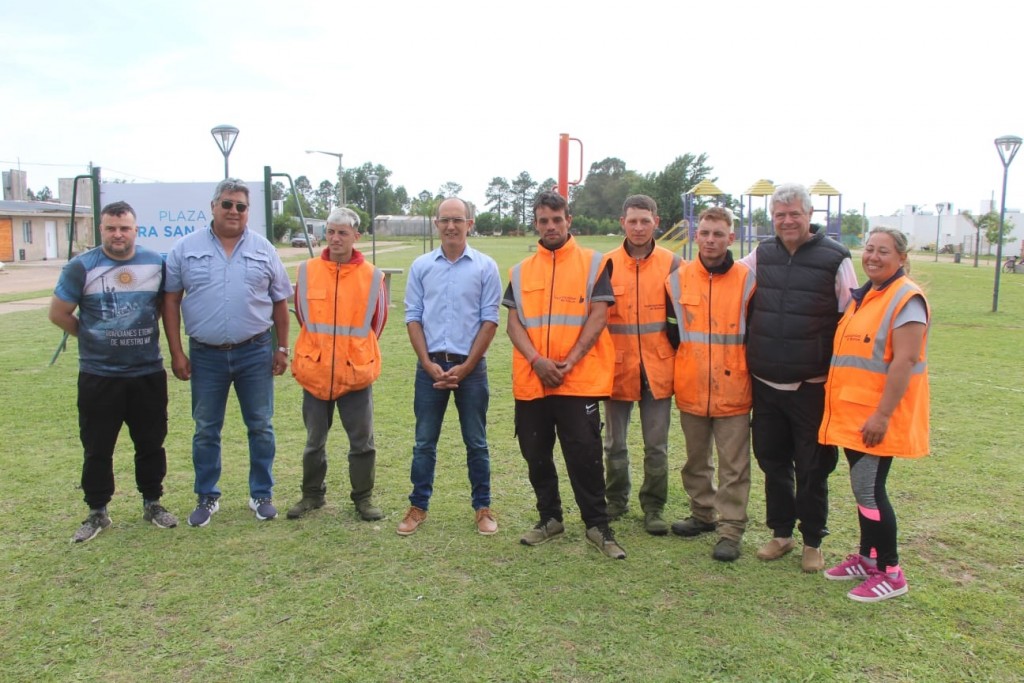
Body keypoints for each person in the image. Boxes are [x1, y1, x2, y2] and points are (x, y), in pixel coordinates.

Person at [742, 183, 858, 572]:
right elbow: (729, 278)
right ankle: (781, 534)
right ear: (771, 218)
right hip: (766, 383)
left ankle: (813, 540)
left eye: (794, 214)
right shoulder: (763, 253)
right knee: (772, 461)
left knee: (812, 465)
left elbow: (848, 316)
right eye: (780, 215)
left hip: (812, 386)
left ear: (809, 216)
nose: (787, 221)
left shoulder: (836, 258)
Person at [163, 178, 293, 526]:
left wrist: (281, 347)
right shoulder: (185, 248)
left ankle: (261, 494)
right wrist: (176, 352)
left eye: (241, 206)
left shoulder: (264, 249)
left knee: (261, 426)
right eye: (227, 204)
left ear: (247, 211)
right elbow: (171, 300)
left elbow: (280, 300)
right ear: (213, 206)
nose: (233, 211)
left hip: (255, 351)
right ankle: (207, 497)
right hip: (205, 355)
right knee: (206, 428)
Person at [504, 191, 626, 559]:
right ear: (536, 224)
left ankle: (597, 525)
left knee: (584, 455)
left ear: (568, 220)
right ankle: (549, 518)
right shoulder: (521, 271)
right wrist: (537, 361)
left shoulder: (593, 263)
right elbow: (513, 324)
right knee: (536, 454)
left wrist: (568, 362)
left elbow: (599, 315)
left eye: (557, 220)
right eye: (543, 221)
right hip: (533, 381)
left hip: (579, 380)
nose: (551, 226)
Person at [50, 201, 178, 542]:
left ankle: (153, 502)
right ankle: (97, 511)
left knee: (151, 443)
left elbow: (167, 308)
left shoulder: (156, 263)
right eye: (110, 228)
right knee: (97, 446)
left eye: (124, 228)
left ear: (136, 230)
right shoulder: (82, 267)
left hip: (147, 373)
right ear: (101, 229)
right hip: (99, 376)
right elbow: (59, 313)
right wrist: (92, 337)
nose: (118, 234)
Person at [819, 227, 929, 602]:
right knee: (861, 488)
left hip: (876, 419)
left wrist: (882, 415)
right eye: (869, 249)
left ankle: (891, 572)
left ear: (901, 258)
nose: (874, 257)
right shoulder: (865, 297)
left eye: (884, 251)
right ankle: (869, 558)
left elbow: (906, 360)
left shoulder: (906, 298)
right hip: (853, 415)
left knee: (869, 490)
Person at [397, 197, 502, 536]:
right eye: (445, 220)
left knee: (477, 442)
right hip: (430, 368)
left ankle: (482, 507)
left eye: (458, 219)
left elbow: (490, 320)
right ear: (436, 224)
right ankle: (418, 507)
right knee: (424, 442)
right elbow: (413, 317)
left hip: (470, 369)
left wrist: (468, 366)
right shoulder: (421, 266)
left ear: (470, 223)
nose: (451, 226)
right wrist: (426, 362)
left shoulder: (485, 267)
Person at [286, 207, 388, 522]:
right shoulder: (307, 270)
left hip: (354, 373)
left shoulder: (373, 276)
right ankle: (312, 495)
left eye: (342, 232)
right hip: (315, 372)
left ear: (356, 236)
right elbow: (303, 316)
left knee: (362, 442)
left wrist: (351, 353)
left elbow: (378, 322)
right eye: (330, 231)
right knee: (314, 441)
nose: (335, 238)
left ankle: (363, 499)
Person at [666, 207, 756, 562]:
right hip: (691, 384)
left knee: (734, 465)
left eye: (718, 234)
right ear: (695, 235)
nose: (710, 240)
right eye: (704, 233)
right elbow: (672, 332)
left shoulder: (748, 280)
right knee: (695, 460)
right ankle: (702, 514)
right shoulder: (676, 280)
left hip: (734, 388)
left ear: (731, 238)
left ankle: (731, 529)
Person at [603, 195, 681, 535]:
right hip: (617, 369)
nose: (638, 227)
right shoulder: (604, 264)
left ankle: (653, 507)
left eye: (644, 221)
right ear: (622, 222)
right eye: (632, 221)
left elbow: (683, 320)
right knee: (614, 444)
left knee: (657, 446)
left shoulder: (673, 263)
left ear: (656, 222)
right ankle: (616, 500)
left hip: (658, 369)